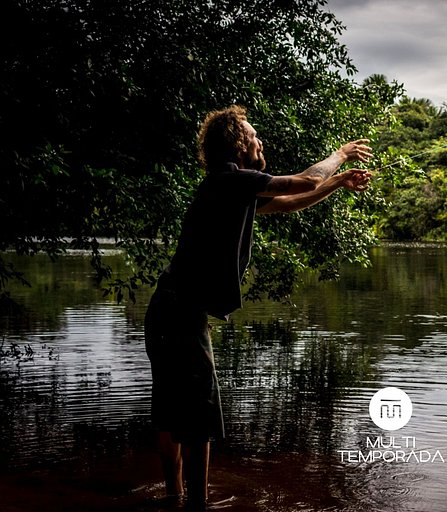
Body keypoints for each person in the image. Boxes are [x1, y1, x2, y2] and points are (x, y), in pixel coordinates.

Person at [143, 104, 372, 511]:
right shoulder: (232, 180)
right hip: (181, 313)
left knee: (172, 410)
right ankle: (196, 504)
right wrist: (340, 154)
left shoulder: (228, 187)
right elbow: (304, 180)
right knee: (197, 417)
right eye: (253, 136)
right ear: (237, 145)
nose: (260, 141)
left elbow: (289, 201)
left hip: (167, 309)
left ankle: (175, 497)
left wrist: (337, 183)